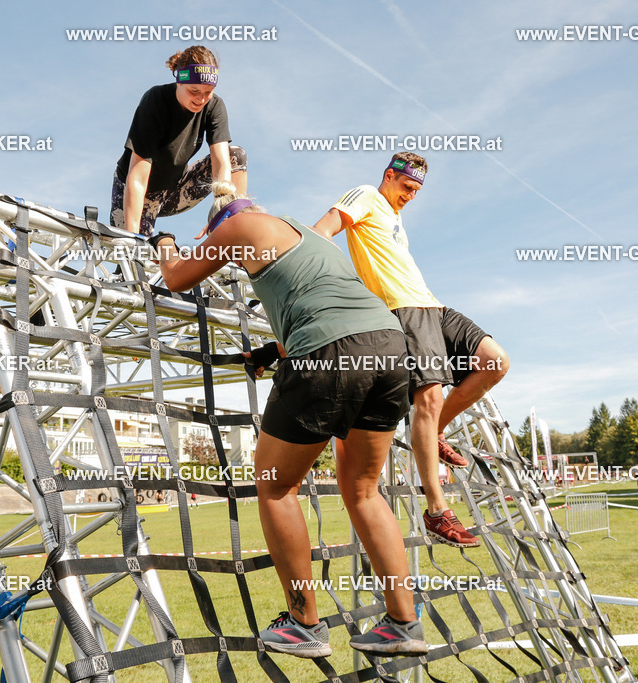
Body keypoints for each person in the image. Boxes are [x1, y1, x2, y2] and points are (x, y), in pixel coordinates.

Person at [155, 185, 427, 658]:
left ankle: (303, 623)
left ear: (216, 227)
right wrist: (273, 350)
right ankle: (403, 623)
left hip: (331, 350)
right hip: (390, 348)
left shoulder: (235, 225)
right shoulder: (306, 237)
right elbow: (326, 307)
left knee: (275, 486)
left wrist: (163, 243)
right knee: (363, 490)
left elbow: (178, 277)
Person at [313, 153, 509, 548]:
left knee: (496, 362)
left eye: (417, 191)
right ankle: (437, 512)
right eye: (406, 187)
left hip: (434, 305)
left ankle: (433, 433)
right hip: (402, 308)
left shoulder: (396, 217)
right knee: (429, 399)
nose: (411, 196)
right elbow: (322, 231)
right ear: (388, 176)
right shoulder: (366, 195)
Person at [111, 45, 248, 237]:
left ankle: (235, 223)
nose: (201, 99)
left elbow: (221, 163)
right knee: (136, 256)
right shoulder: (155, 101)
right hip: (137, 192)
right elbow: (138, 177)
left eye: (208, 92)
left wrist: (221, 215)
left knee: (236, 155)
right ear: (179, 81)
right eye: (194, 91)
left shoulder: (215, 106)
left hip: (176, 190)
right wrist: (133, 240)